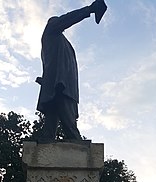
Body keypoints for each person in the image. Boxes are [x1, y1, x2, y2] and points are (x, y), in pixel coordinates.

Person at [36, 0, 106, 142]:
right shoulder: (51, 30)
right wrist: (90, 9)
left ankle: (48, 140)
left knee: (51, 121)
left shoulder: (60, 42)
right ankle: (79, 147)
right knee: (67, 120)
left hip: (60, 86)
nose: (59, 23)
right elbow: (68, 19)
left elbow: (53, 64)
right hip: (60, 85)